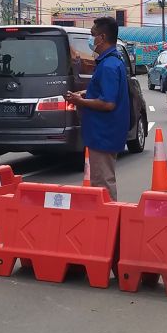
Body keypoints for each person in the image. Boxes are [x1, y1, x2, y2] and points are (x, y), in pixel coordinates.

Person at [66, 16, 130, 201]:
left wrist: (80, 102)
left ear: (101, 38)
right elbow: (104, 91)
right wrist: (85, 94)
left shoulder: (109, 65)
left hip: (104, 132)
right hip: (103, 131)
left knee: (102, 181)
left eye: (92, 35)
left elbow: (108, 103)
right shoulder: (110, 61)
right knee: (100, 180)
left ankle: (110, 222)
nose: (90, 39)